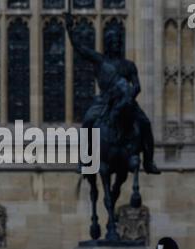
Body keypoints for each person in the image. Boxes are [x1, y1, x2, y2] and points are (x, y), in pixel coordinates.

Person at [65, 12, 160, 175]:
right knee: (88, 122)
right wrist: (70, 30)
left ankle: (149, 161)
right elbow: (80, 48)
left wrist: (129, 97)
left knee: (145, 123)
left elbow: (137, 86)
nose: (116, 44)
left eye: (118, 41)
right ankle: (84, 159)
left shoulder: (129, 65)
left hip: (126, 101)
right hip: (104, 101)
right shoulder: (100, 61)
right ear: (107, 44)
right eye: (113, 42)